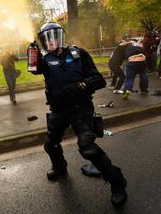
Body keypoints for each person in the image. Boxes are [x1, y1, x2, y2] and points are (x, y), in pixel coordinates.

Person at [30, 22, 127, 207]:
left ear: (60, 37)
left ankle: (117, 182)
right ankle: (59, 167)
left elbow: (99, 80)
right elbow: (33, 70)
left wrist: (80, 86)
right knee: (51, 145)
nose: (51, 42)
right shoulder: (44, 60)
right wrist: (32, 53)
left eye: (53, 37)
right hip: (59, 110)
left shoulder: (78, 54)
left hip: (81, 108)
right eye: (46, 39)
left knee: (88, 148)